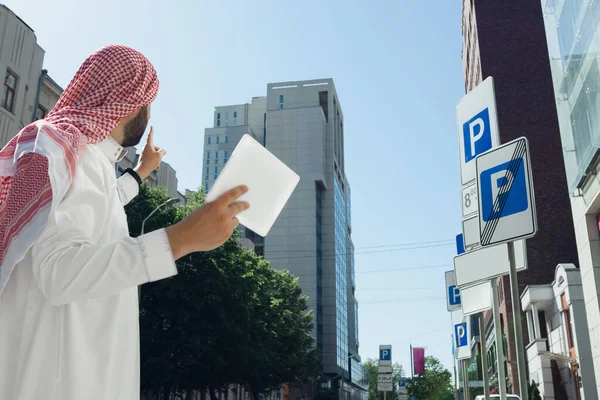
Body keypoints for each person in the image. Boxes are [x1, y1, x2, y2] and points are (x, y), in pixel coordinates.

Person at [0, 45, 249, 400]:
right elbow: (57, 271)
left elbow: (99, 208)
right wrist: (179, 240)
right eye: (147, 102)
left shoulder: (87, 157)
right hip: (57, 382)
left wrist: (141, 171)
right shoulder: (64, 146)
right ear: (127, 99)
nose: (147, 113)